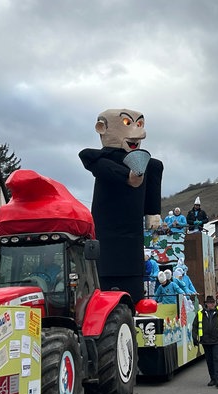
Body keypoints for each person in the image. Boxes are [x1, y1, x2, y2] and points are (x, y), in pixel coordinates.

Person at [79, 108, 164, 307]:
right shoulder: (99, 159)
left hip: (132, 234)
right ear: (102, 128)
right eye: (128, 124)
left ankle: (136, 300)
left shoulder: (147, 165)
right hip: (106, 232)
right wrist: (127, 177)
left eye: (139, 124)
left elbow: (154, 172)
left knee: (132, 271)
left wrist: (153, 211)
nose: (136, 132)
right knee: (104, 270)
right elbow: (94, 163)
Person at [192, 296, 218, 388]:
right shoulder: (200, 314)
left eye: (213, 302)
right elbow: (195, 326)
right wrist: (194, 338)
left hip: (217, 340)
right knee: (209, 360)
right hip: (205, 341)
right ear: (206, 304)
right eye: (210, 303)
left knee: (216, 359)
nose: (212, 304)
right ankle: (212, 378)